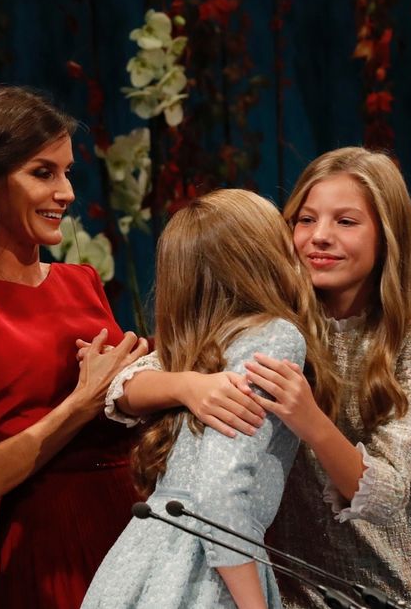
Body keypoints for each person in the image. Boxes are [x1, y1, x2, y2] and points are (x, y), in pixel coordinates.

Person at [109, 148, 411, 608]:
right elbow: (127, 386)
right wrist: (188, 385)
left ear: (387, 237)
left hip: (397, 569)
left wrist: (309, 419)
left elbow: (386, 495)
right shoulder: (272, 316)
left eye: (346, 222)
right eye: (305, 220)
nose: (320, 237)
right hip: (299, 569)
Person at [0, 85, 148, 609]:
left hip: (136, 530)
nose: (66, 193)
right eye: (43, 173)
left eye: (67, 173)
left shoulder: (81, 282)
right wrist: (79, 406)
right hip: (53, 551)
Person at [82, 189, 334, 609]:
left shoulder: (197, 345)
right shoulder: (275, 336)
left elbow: (124, 386)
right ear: (263, 257)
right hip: (203, 573)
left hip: (138, 564)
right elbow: (220, 492)